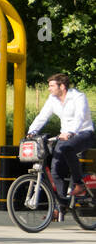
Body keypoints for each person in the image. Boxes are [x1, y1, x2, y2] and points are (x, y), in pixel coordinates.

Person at [26, 73, 95, 201]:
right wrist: (32, 131)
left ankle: (79, 184)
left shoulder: (78, 97)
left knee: (68, 148)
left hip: (83, 133)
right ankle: (61, 205)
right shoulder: (52, 99)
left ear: (62, 86)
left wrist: (71, 132)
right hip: (64, 136)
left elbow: (80, 117)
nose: (49, 88)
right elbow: (42, 116)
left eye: (52, 86)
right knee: (55, 171)